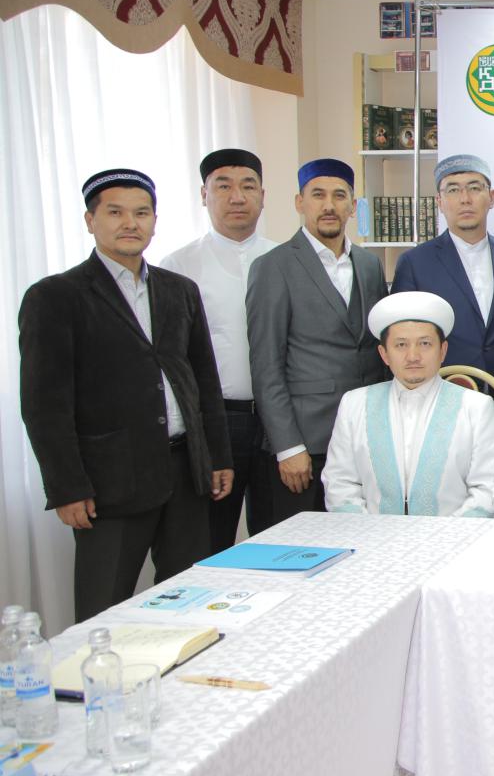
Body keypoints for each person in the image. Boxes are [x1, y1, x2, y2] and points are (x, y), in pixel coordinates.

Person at [19, 169, 232, 620]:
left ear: (154, 220)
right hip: (109, 480)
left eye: (141, 213)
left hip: (185, 472)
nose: (130, 223)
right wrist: (67, 487)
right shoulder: (56, 296)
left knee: (189, 601)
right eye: (115, 213)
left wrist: (217, 456)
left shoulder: (179, 290)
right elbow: (44, 404)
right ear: (90, 220)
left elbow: (203, 380)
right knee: (103, 605)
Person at [247, 158, 388, 524]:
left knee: (362, 543)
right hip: (306, 444)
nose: (329, 205)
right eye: (318, 195)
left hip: (364, 439)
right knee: (302, 546)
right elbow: (266, 366)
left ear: (352, 206)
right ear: (300, 202)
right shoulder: (273, 266)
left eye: (339, 196)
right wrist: (288, 446)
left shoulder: (369, 265)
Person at [160, 148, 278, 549]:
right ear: (204, 195)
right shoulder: (178, 266)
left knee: (279, 537)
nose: (237, 197)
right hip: (216, 421)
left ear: (263, 195)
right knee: (209, 540)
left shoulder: (285, 259)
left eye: (248, 186)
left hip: (277, 420)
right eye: (223, 186)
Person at [324, 292, 494, 516]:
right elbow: (340, 482)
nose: (413, 356)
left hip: (454, 533)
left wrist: (449, 533)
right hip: (372, 533)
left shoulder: (476, 407)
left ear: (443, 350)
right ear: (384, 354)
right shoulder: (355, 404)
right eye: (401, 345)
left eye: (425, 343)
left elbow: (488, 488)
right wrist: (368, 531)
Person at [391, 154, 494, 404]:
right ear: (439, 202)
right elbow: (401, 338)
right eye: (453, 190)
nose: (465, 199)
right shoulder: (415, 263)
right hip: (443, 398)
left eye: (474, 188)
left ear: (491, 197)